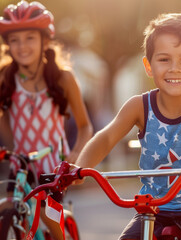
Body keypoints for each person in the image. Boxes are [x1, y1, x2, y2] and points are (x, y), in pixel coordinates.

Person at [73, 13, 181, 240]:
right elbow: (107, 137)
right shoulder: (139, 106)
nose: (174, 68)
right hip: (153, 207)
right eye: (164, 59)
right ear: (149, 66)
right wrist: (79, 168)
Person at [0, 1, 93, 239]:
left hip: (53, 165)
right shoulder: (6, 78)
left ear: (45, 41)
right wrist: (11, 150)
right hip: (20, 166)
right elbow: (3, 119)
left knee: (48, 215)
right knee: (5, 211)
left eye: (30, 38)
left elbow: (85, 126)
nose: (22, 46)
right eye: (15, 40)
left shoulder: (62, 78)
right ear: (7, 44)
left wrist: (74, 157)